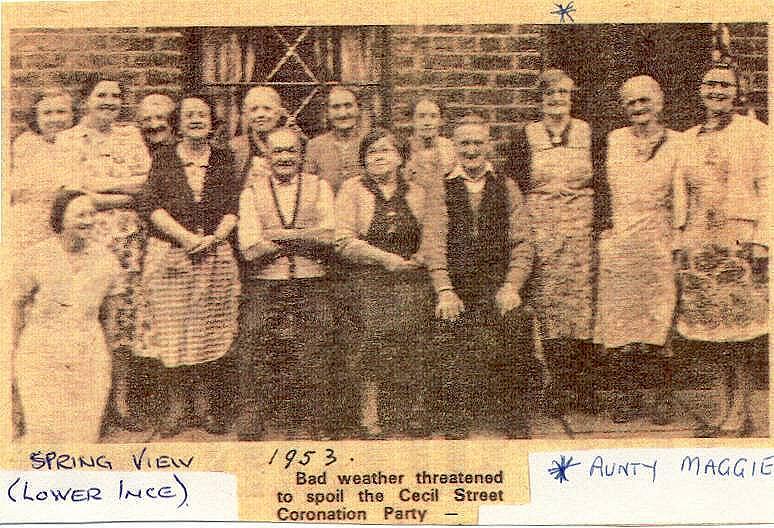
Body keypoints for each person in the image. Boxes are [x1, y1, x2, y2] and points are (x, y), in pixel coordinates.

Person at [135, 96, 241, 437]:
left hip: (213, 256)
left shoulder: (224, 159)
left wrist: (213, 239)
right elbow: (150, 206)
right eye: (189, 115)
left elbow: (232, 207)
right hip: (170, 256)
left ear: (212, 122)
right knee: (172, 332)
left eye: (203, 115)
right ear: (178, 124)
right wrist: (184, 238)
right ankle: (177, 407)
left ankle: (205, 406)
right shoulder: (164, 158)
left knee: (207, 331)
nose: (196, 120)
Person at [676, 63, 768, 437]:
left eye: (724, 85)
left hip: (738, 245)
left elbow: (769, 187)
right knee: (712, 336)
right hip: (701, 247)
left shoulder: (756, 133)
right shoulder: (688, 138)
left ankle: (740, 411)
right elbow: (682, 194)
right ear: (700, 90)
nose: (716, 91)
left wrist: (763, 239)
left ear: (737, 92)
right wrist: (681, 242)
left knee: (740, 333)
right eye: (709, 83)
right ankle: (721, 410)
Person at [56, 74, 151, 431]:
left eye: (115, 95)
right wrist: (116, 191)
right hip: (87, 237)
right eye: (101, 94)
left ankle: (120, 400)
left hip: (126, 241)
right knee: (84, 315)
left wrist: (96, 190)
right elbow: (70, 192)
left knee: (121, 319)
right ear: (86, 100)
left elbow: (142, 185)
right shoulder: (68, 140)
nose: (109, 101)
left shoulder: (130, 136)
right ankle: (85, 402)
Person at [438, 115, 535, 439]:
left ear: (488, 145)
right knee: (449, 326)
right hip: (459, 286)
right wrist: (445, 290)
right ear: (454, 147)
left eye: (477, 142)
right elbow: (434, 246)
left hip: (497, 285)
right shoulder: (442, 187)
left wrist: (512, 286)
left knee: (516, 323)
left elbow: (523, 244)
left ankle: (513, 416)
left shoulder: (506, 186)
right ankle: (455, 416)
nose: (471, 150)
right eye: (464, 143)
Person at [237, 127, 336, 440]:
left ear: (301, 155)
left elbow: (329, 237)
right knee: (252, 339)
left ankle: (316, 419)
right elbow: (250, 248)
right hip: (267, 280)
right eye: (277, 151)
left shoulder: (319, 187)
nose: (284, 158)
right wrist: (303, 237)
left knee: (320, 335)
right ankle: (254, 417)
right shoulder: (251, 192)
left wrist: (278, 235)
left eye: (290, 151)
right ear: (267, 155)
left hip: (311, 277)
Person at [335, 128, 436, 438]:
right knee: (372, 336)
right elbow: (342, 240)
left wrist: (421, 256)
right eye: (371, 152)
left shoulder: (417, 192)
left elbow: (434, 232)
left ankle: (411, 412)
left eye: (385, 150)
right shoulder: (353, 189)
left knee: (415, 336)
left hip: (410, 277)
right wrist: (383, 258)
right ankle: (371, 412)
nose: (378, 157)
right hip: (368, 277)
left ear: (400, 157)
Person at [508, 69, 596, 417]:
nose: (556, 99)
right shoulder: (526, 137)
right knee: (546, 310)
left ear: (571, 97)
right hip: (542, 235)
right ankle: (554, 385)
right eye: (549, 94)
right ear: (540, 100)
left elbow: (602, 182)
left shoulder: (589, 133)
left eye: (563, 92)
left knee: (582, 309)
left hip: (580, 234)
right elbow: (515, 188)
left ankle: (581, 387)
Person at [595, 76, 683, 424]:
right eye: (631, 103)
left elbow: (680, 196)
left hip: (658, 238)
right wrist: (605, 232)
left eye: (644, 101)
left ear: (659, 103)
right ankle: (627, 396)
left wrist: (677, 240)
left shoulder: (677, 143)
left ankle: (660, 397)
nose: (638, 108)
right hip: (621, 239)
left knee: (658, 317)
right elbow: (602, 188)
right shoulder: (615, 140)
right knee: (621, 320)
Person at [13, 190, 122, 442]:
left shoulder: (106, 261)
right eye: (80, 214)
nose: (88, 220)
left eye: (92, 214)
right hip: (41, 353)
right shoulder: (37, 256)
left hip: (88, 353)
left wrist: (105, 355)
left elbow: (110, 316)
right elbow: (16, 304)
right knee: (43, 434)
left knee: (83, 434)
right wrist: (14, 351)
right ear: (61, 219)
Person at [9, 87, 75, 250]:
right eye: (47, 113)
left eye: (61, 112)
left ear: (72, 115)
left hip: (68, 225)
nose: (55, 119)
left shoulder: (80, 143)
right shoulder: (25, 144)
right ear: (36, 118)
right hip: (31, 224)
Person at [304, 86, 366, 193]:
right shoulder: (315, 145)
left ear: (358, 109)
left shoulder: (370, 141)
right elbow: (308, 187)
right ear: (327, 113)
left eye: (348, 106)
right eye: (336, 107)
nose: (343, 113)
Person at [230, 86, 286, 183]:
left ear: (279, 113)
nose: (260, 115)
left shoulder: (292, 144)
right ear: (246, 114)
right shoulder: (234, 147)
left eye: (267, 109)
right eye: (254, 109)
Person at [404, 96, 457, 192]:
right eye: (421, 116)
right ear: (412, 121)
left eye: (433, 116)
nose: (427, 123)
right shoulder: (403, 149)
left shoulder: (452, 149)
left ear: (441, 121)